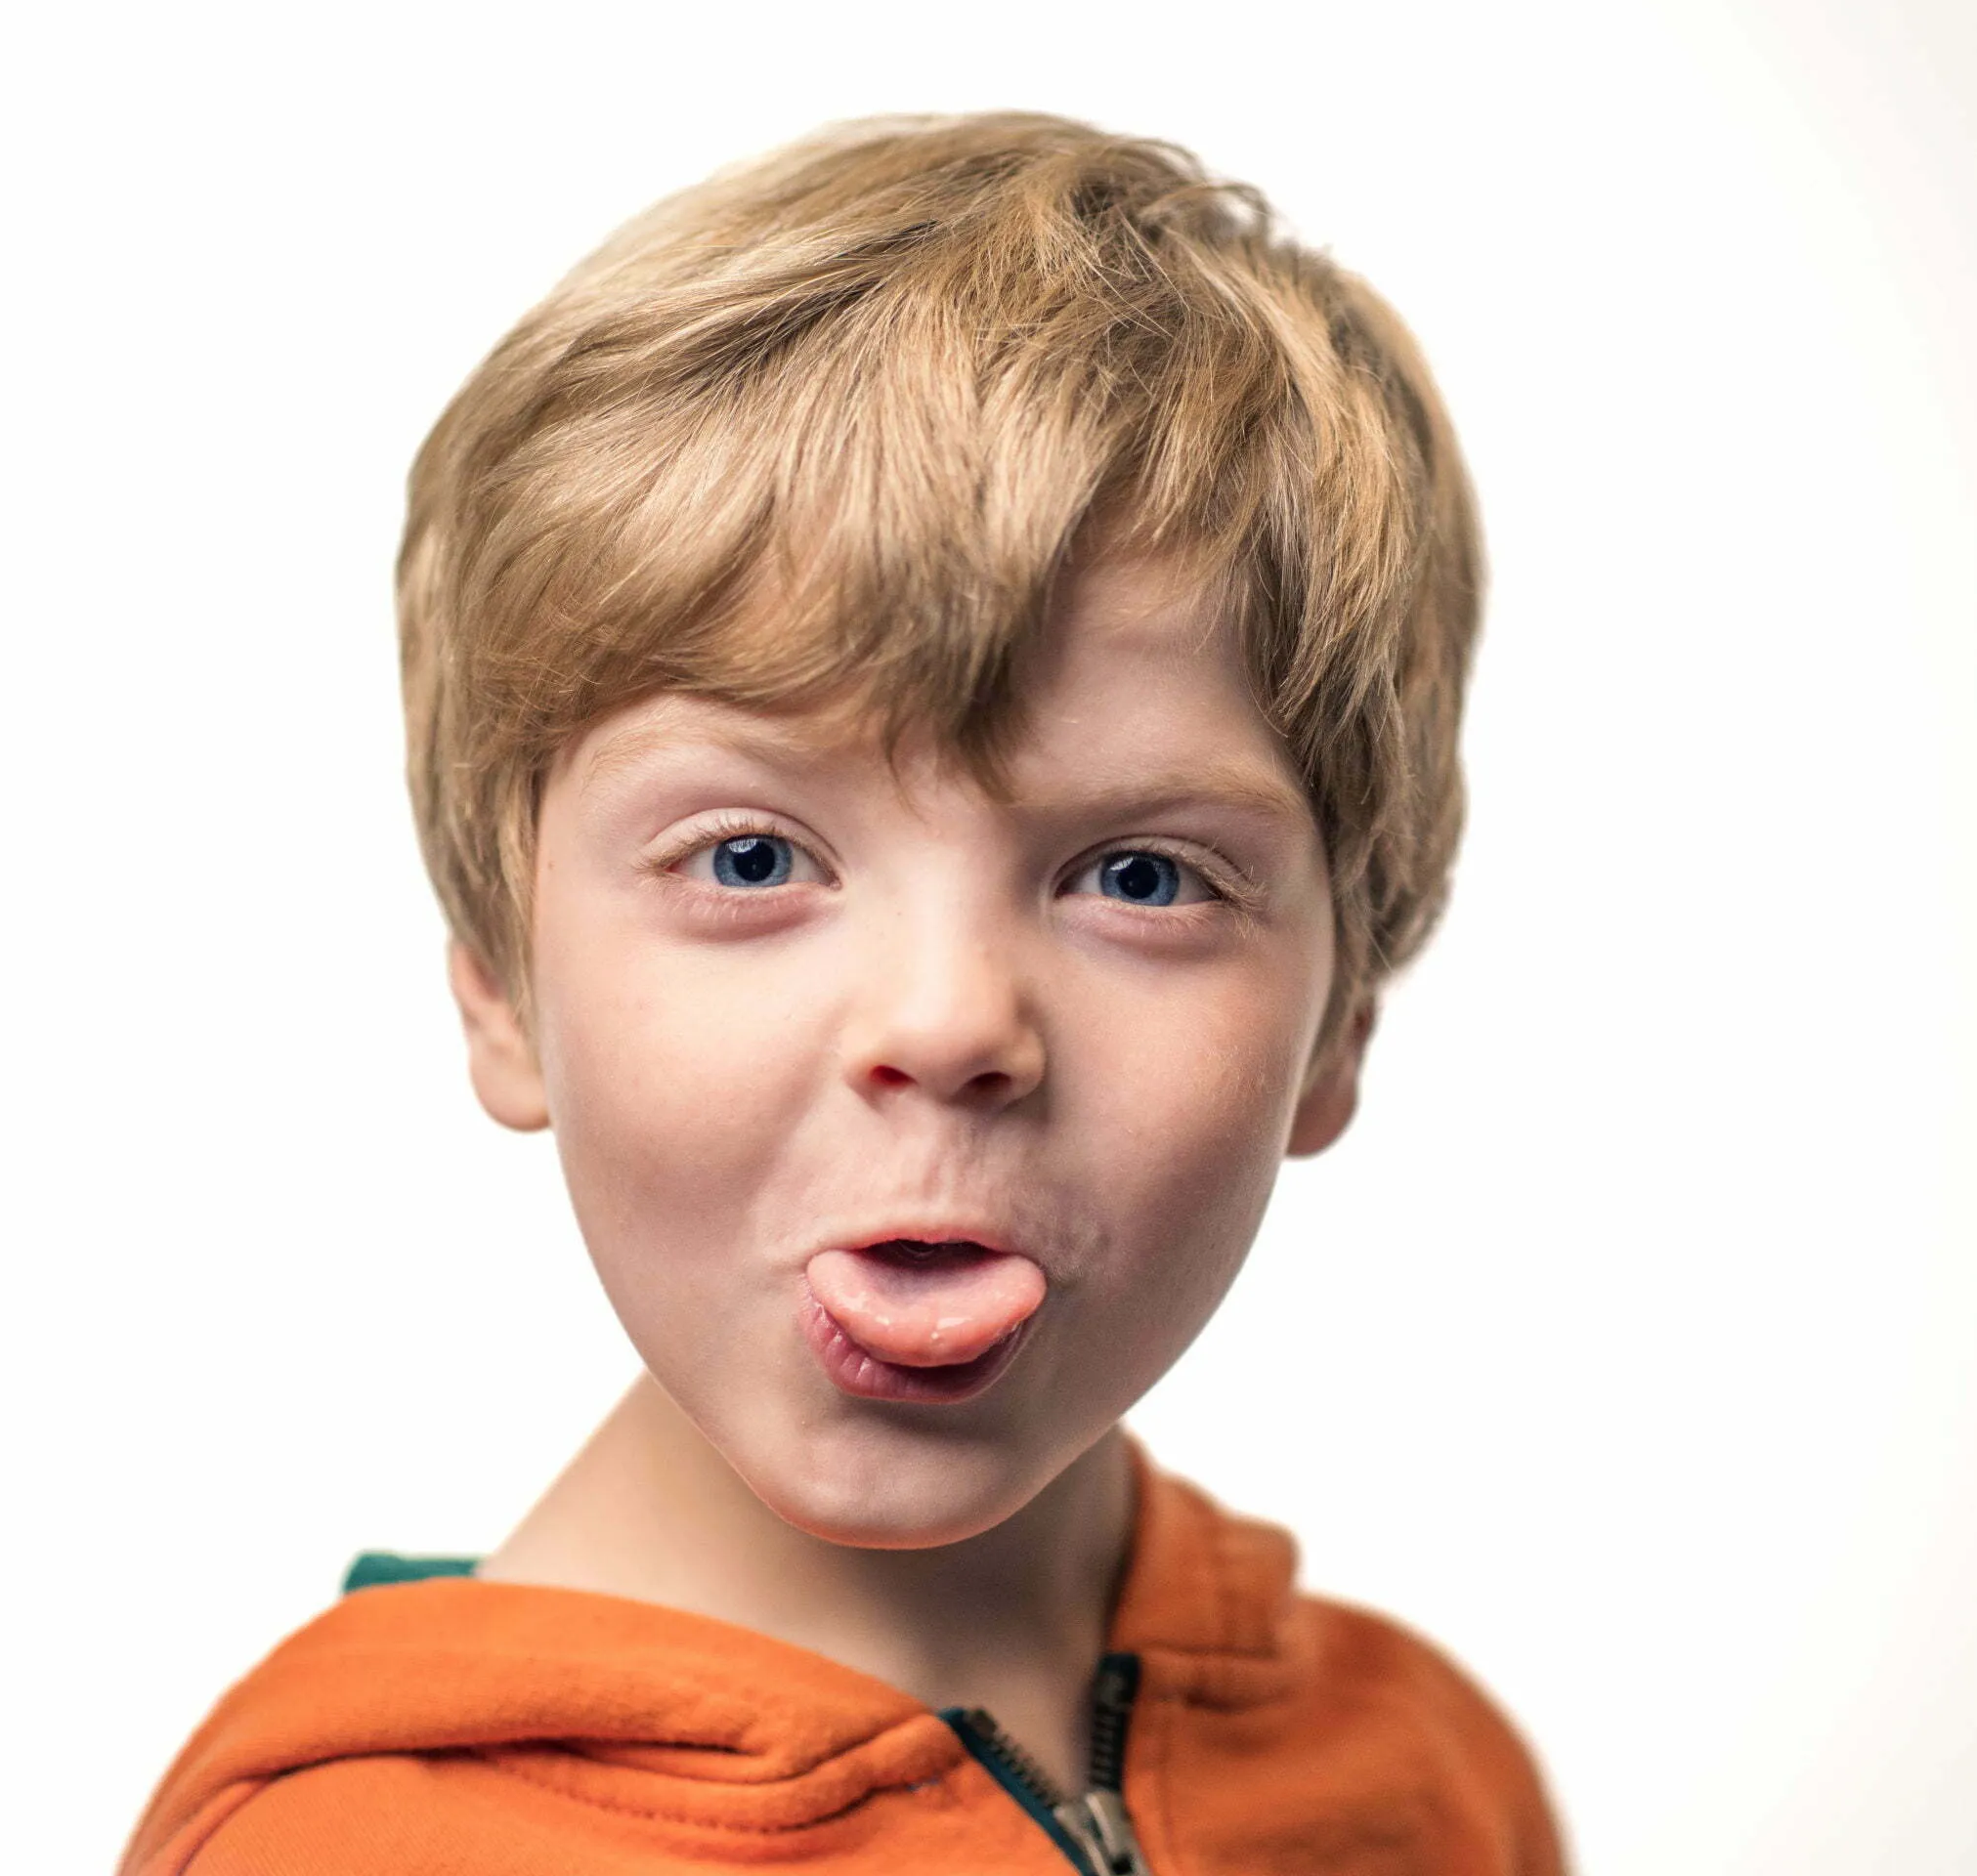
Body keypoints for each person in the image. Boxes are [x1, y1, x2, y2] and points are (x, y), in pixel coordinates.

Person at [119, 110, 1568, 1876]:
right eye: (748, 860)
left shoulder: (1425, 1784)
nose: (953, 1024)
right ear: (502, 984)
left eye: (1140, 877)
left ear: (1341, 1024)